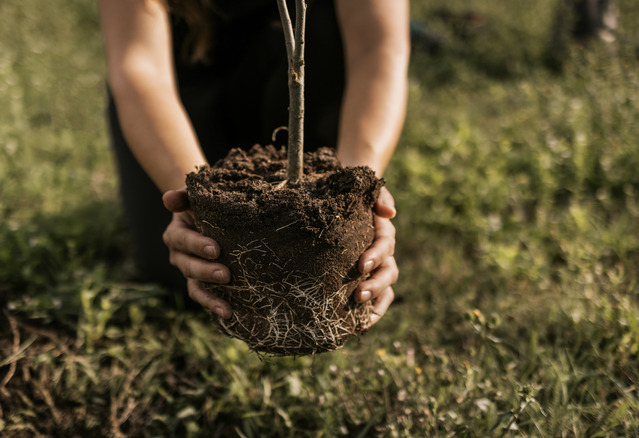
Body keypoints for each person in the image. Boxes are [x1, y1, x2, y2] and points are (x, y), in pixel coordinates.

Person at [99, 0, 409, 327]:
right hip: (182, 86)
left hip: (298, 68)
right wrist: (198, 203)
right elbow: (139, 68)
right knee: (185, 270)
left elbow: (378, 51)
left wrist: (358, 195)